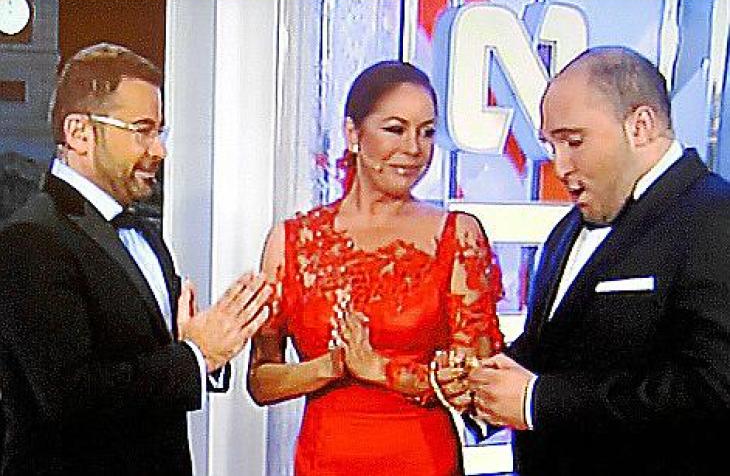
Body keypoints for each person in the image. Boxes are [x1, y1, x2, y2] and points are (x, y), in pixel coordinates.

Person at [0, 43, 271, 475]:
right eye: (142, 130)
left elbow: (156, 369)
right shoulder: (31, 239)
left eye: (160, 132)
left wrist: (202, 350)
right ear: (79, 133)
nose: (159, 150)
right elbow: (71, 398)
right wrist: (196, 356)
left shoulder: (145, 235)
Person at [463, 46, 730, 475]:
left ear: (640, 126)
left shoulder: (716, 217)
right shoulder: (567, 229)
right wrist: (484, 386)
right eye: (551, 145)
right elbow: (554, 347)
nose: (560, 166)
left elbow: (712, 392)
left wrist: (537, 401)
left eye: (574, 142)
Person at [247, 60, 505, 475]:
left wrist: (381, 369)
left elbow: (479, 385)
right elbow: (261, 382)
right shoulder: (292, 240)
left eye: (427, 132)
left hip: (421, 458)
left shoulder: (457, 235)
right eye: (396, 129)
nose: (414, 148)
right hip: (324, 460)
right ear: (353, 134)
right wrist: (330, 366)